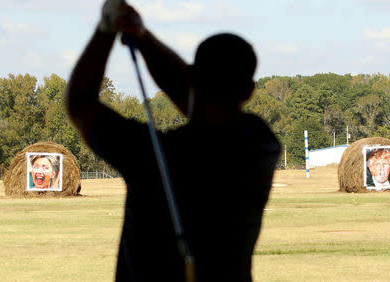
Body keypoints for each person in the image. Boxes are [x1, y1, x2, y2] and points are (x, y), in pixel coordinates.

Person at [65, 2, 281, 281]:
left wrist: (106, 29)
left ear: (194, 77)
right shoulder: (261, 145)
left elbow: (80, 103)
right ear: (250, 91)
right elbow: (189, 93)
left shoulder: (151, 154)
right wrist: (142, 36)